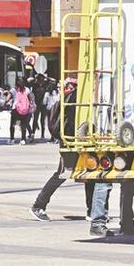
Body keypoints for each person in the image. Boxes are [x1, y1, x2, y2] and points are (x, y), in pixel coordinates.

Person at [31, 78, 96, 222]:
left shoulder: (74, 96)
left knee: (91, 173)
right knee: (62, 173)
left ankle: (92, 210)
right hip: (71, 142)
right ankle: (38, 205)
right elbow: (72, 122)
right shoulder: (76, 98)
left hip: (77, 141)